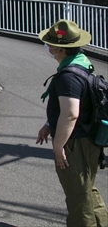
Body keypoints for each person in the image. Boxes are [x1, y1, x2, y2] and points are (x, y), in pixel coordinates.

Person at [36, 20, 108, 226]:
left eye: (50, 43)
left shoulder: (68, 76)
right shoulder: (82, 63)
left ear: (59, 48)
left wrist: (58, 146)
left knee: (78, 198)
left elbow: (70, 114)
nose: (47, 46)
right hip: (88, 138)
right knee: (86, 189)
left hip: (75, 143)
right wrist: (49, 124)